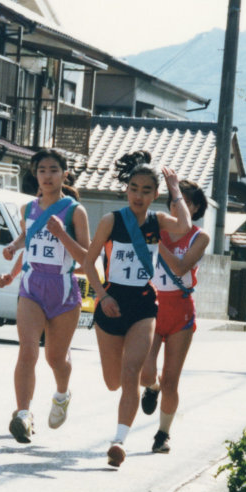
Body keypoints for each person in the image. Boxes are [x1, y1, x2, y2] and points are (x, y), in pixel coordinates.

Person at [83, 151, 191, 468]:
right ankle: (151, 385)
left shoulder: (158, 221)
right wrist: (102, 295)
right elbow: (88, 262)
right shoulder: (111, 221)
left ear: (154, 194)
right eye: (134, 188)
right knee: (113, 381)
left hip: (143, 305)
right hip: (111, 303)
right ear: (126, 190)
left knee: (131, 374)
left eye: (146, 190)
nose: (138, 195)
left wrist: (175, 189)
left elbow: (185, 225)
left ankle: (118, 442)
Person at [1, 150, 90, 443]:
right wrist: (13, 248)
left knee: (56, 358)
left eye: (54, 170)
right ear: (35, 174)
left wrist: (62, 234)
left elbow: (86, 259)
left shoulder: (75, 211)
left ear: (65, 174)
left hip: (63, 290)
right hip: (31, 287)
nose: (47, 176)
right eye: (42, 170)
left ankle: (62, 395)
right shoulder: (28, 208)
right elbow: (28, 237)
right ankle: (23, 414)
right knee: (27, 350)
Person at [139, 180, 210, 454]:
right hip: (152, 305)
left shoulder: (200, 237)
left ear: (196, 208)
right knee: (145, 373)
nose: (178, 207)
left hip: (181, 310)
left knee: (172, 380)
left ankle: (163, 434)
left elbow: (180, 267)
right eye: (174, 202)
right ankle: (152, 388)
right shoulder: (157, 227)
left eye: (186, 203)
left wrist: (158, 244)